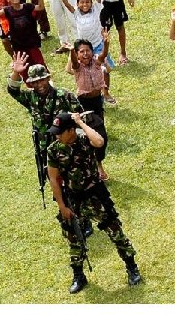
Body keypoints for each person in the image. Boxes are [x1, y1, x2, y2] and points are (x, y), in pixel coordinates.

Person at [46, 112, 142, 292]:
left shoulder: (84, 139)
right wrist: (62, 206)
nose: (56, 136)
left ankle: (132, 267)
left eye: (60, 132)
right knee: (74, 239)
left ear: (71, 130)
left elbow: (99, 142)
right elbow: (53, 179)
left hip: (95, 196)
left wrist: (80, 123)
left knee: (115, 232)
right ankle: (79, 276)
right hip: (73, 200)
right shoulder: (54, 150)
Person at [7, 54, 90, 236]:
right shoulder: (30, 98)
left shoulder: (65, 95)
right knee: (56, 185)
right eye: (35, 82)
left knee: (75, 183)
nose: (39, 85)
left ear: (48, 78)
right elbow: (12, 90)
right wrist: (16, 72)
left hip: (67, 149)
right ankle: (67, 215)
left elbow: (82, 118)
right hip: (46, 151)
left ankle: (84, 219)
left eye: (42, 80)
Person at [65, 35, 113, 180]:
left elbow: (103, 55)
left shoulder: (97, 62)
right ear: (77, 54)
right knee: (90, 136)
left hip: (97, 102)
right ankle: (95, 167)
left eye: (88, 50)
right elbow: (74, 62)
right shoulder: (77, 67)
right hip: (83, 104)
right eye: (81, 51)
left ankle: (98, 163)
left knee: (101, 136)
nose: (85, 54)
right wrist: (71, 51)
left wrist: (106, 43)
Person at [57, 0, 116, 105]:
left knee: (105, 70)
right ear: (77, 4)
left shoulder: (96, 9)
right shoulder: (76, 13)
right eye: (82, 2)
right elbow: (66, 4)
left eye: (87, 2)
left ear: (91, 2)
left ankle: (105, 93)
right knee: (73, 69)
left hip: (97, 45)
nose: (85, 4)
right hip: (83, 49)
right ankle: (86, 87)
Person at [0, 0, 47, 67]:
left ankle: (45, 75)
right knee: (23, 66)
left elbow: (41, 7)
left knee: (39, 64)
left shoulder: (27, 6)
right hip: (18, 44)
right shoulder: (7, 11)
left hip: (32, 42)